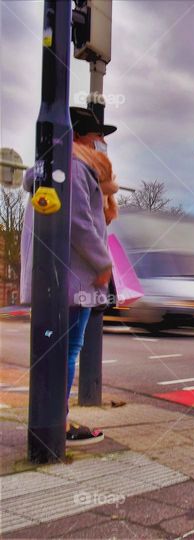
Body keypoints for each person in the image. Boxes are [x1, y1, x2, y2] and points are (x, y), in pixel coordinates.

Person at [20, 107, 119, 446]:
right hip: (74, 279)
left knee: (57, 350)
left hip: (59, 278)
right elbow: (79, 223)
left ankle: (51, 418)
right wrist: (103, 264)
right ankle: (55, 427)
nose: (102, 144)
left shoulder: (54, 168)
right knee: (68, 351)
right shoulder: (75, 167)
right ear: (77, 136)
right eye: (97, 137)